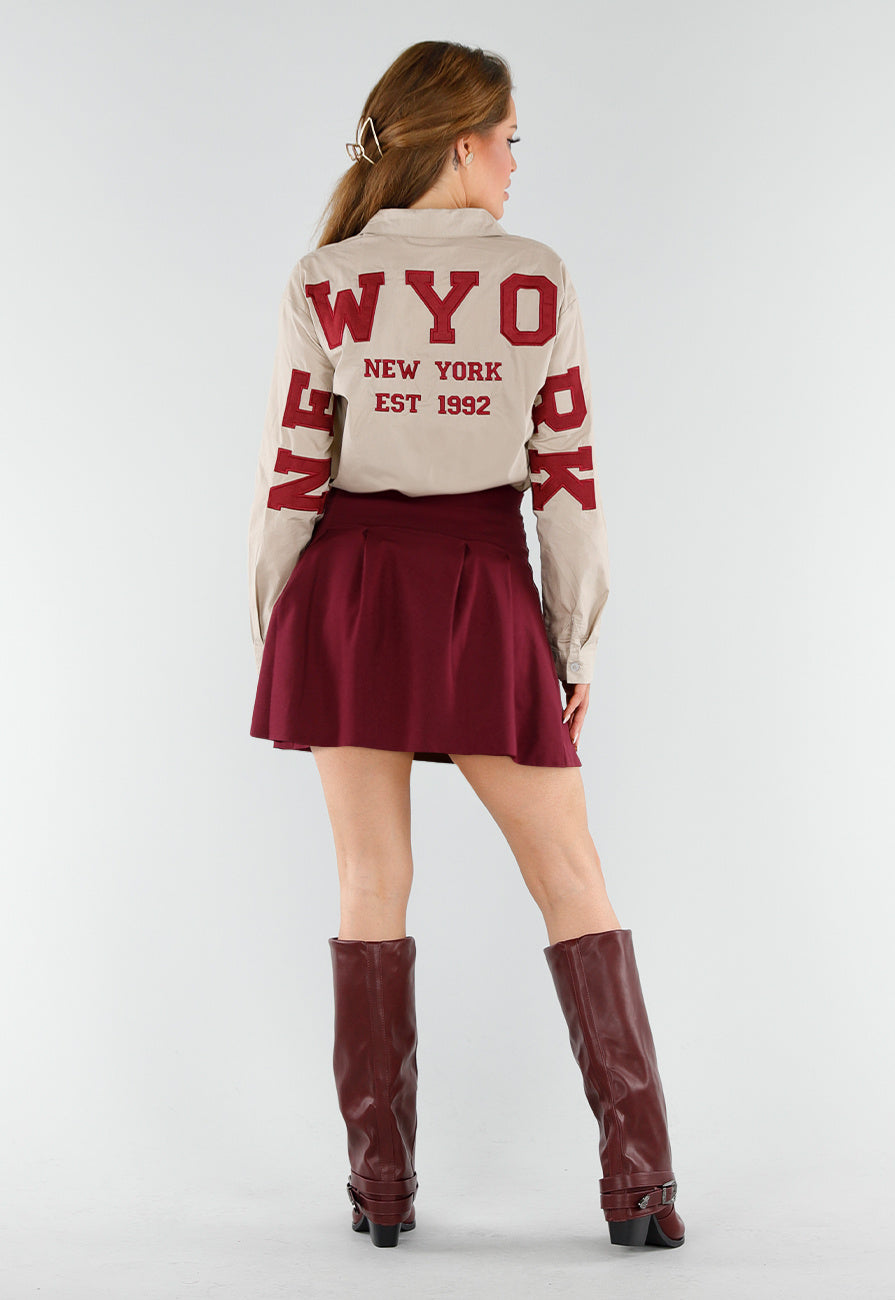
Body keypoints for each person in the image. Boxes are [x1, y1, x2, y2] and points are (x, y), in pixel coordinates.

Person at [247, 40, 685, 1251]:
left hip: (345, 589)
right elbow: (567, 480)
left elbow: (291, 474)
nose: (513, 164)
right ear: (461, 143)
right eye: (508, 140)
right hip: (483, 583)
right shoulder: (536, 279)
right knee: (572, 874)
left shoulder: (325, 277)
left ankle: (379, 1190)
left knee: (368, 881)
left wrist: (281, 628)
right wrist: (573, 641)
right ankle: (641, 1183)